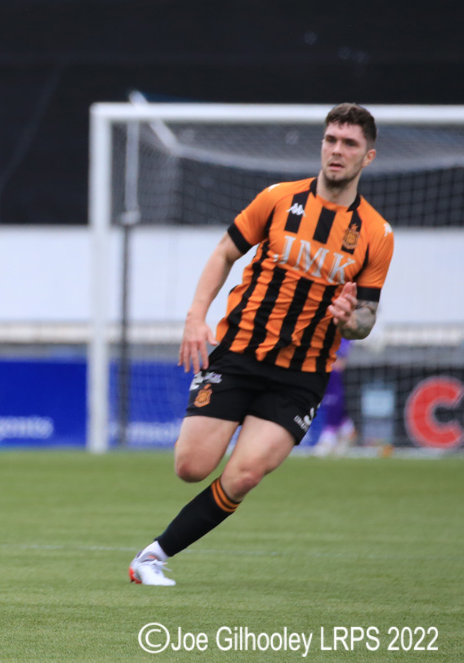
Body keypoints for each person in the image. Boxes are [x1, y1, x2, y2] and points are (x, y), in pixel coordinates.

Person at [129, 103, 394, 586]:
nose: (337, 150)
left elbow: (366, 318)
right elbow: (224, 252)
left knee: (245, 474)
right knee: (191, 467)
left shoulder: (376, 234)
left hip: (301, 376)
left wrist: (349, 319)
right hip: (238, 354)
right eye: (331, 139)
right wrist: (195, 317)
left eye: (349, 144)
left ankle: (152, 557)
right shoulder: (277, 199)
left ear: (368, 156)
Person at [313, 338, 357, 456]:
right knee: (325, 390)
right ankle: (346, 427)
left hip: (336, 337)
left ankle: (329, 435)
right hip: (321, 339)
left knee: (332, 376)